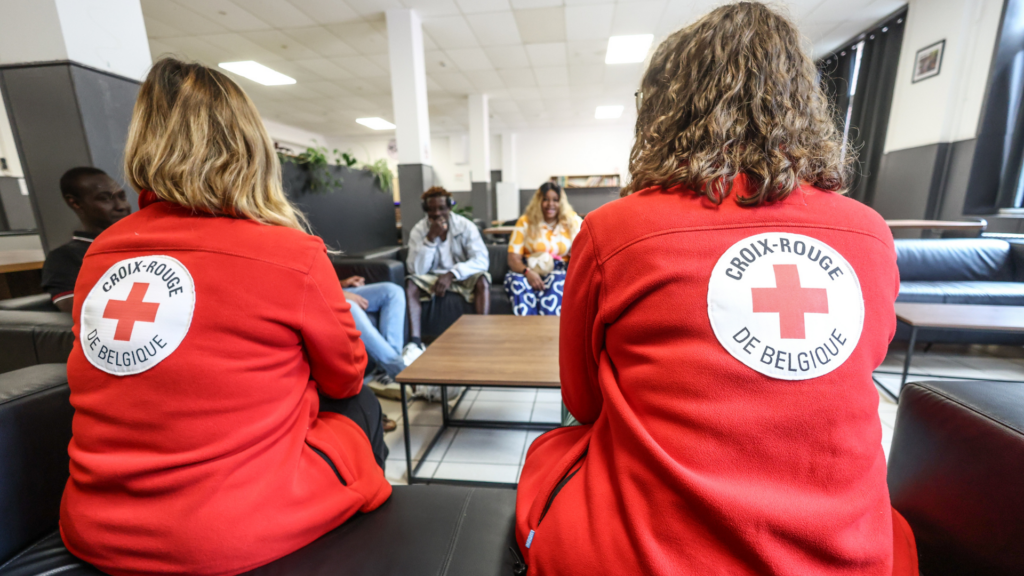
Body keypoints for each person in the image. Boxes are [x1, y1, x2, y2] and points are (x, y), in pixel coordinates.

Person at [514, 4, 917, 576]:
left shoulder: (615, 229)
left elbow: (583, 402)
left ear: (665, 107)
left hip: (647, 556)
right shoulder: (870, 234)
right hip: (848, 555)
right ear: (803, 103)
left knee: (552, 452)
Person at [59, 58, 391, 576]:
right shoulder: (290, 252)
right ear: (250, 148)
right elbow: (346, 376)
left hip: (92, 527)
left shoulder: (102, 252)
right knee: (364, 408)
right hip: (220, 537)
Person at [404, 185, 490, 353]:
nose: (437, 214)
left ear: (450, 207)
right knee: (410, 284)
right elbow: (416, 270)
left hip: (462, 275)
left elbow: (482, 260)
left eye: (442, 208)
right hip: (431, 277)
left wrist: (452, 273)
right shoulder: (419, 230)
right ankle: (415, 343)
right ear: (426, 210)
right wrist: (430, 238)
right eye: (431, 209)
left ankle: (483, 334)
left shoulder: (465, 226)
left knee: (483, 280)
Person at [40, 167, 131, 312]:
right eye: (105, 198)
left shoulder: (143, 245)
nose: (121, 206)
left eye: (122, 197)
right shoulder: (64, 258)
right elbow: (84, 314)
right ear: (75, 203)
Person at [504, 182, 582, 316]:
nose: (550, 204)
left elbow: (587, 241)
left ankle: (549, 332)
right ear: (538, 201)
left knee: (558, 281)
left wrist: (577, 251)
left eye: (555, 200)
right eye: (545, 199)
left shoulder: (572, 221)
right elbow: (513, 258)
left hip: (559, 269)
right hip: (529, 268)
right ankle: (528, 329)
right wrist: (527, 272)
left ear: (561, 203)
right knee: (516, 282)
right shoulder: (525, 222)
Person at [341, 274, 406, 430]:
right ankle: (403, 373)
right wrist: (340, 294)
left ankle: (387, 369)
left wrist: (341, 283)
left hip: (333, 288)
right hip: (321, 294)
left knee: (393, 291)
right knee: (351, 306)